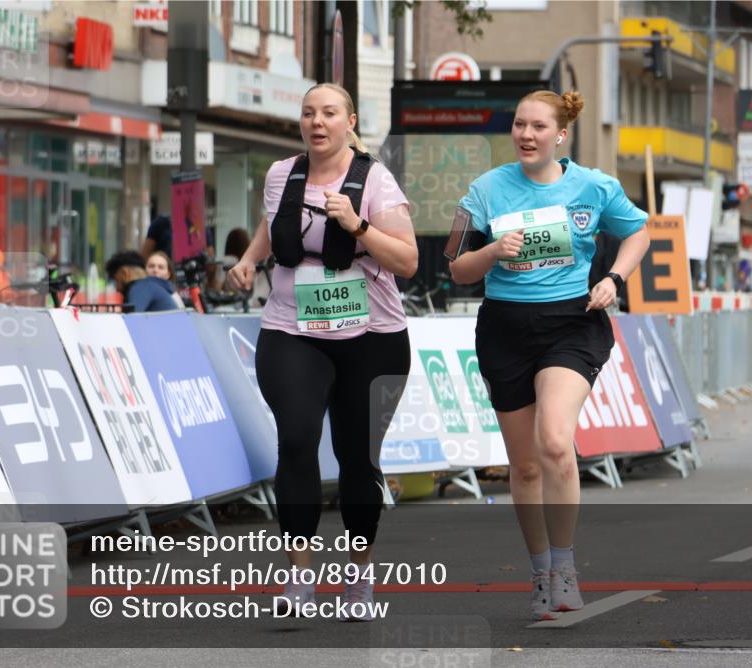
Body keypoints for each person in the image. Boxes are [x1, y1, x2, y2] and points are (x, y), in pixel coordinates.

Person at [448, 90, 651, 621]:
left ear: (560, 135)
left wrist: (614, 277)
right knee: (524, 464)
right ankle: (539, 571)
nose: (527, 135)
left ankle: (565, 567)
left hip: (571, 324)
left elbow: (638, 232)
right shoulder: (485, 190)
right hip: (504, 328)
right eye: (519, 125)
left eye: (538, 126)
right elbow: (456, 266)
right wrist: (493, 250)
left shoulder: (594, 186)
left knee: (556, 443)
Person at [227, 82, 418, 621]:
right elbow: (275, 222)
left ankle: (358, 577)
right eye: (309, 113)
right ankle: (299, 578)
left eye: (329, 113)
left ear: (349, 120)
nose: (317, 122)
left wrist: (355, 224)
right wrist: (248, 259)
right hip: (292, 329)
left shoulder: (374, 179)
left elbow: (406, 262)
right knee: (296, 441)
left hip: (372, 337)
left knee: (358, 460)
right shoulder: (281, 173)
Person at [105, 250, 179, 312]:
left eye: (115, 280)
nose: (117, 288)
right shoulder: (149, 286)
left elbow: (132, 320)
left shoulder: (140, 287)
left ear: (124, 273)